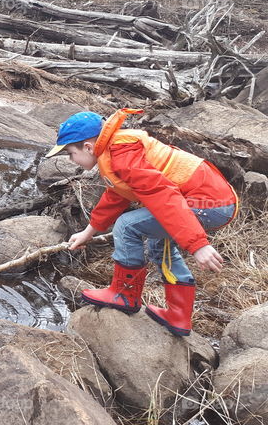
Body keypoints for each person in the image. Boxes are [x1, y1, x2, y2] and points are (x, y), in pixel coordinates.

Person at [46, 108, 237, 336]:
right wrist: (89, 232)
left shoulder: (123, 154)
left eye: (70, 153)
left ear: (87, 147)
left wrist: (198, 245)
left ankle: (125, 294)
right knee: (159, 246)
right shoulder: (115, 152)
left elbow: (163, 197)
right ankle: (178, 315)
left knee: (127, 225)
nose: (71, 160)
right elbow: (116, 195)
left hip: (207, 204)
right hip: (213, 201)